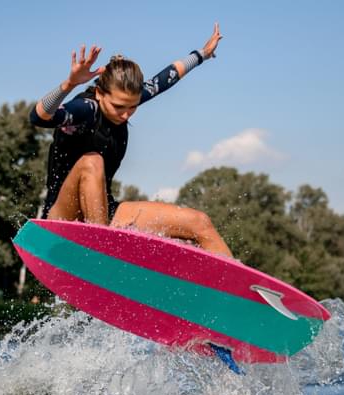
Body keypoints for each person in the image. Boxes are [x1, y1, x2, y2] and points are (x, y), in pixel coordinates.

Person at [29, 22, 232, 257]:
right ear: (99, 94)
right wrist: (70, 84)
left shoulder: (125, 104)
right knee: (91, 162)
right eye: (118, 106)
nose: (125, 114)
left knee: (199, 222)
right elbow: (39, 117)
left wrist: (203, 54)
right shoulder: (87, 109)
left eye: (132, 106)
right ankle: (103, 255)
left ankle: (241, 291)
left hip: (103, 214)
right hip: (61, 217)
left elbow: (168, 77)